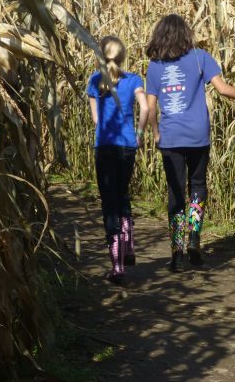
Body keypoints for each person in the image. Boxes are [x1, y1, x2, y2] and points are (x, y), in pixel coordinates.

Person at [145, 14, 235, 272]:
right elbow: (223, 89)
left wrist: (156, 133)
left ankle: (177, 254)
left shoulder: (154, 66)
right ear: (185, 33)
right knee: (197, 186)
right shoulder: (201, 57)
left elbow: (151, 106)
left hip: (171, 137)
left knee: (175, 193)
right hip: (198, 135)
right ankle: (194, 239)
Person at [88, 36, 149, 283]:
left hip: (105, 146)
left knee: (109, 201)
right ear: (122, 56)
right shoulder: (133, 79)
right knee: (123, 193)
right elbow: (145, 108)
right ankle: (129, 246)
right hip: (127, 146)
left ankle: (117, 266)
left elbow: (95, 120)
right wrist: (141, 134)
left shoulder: (95, 80)